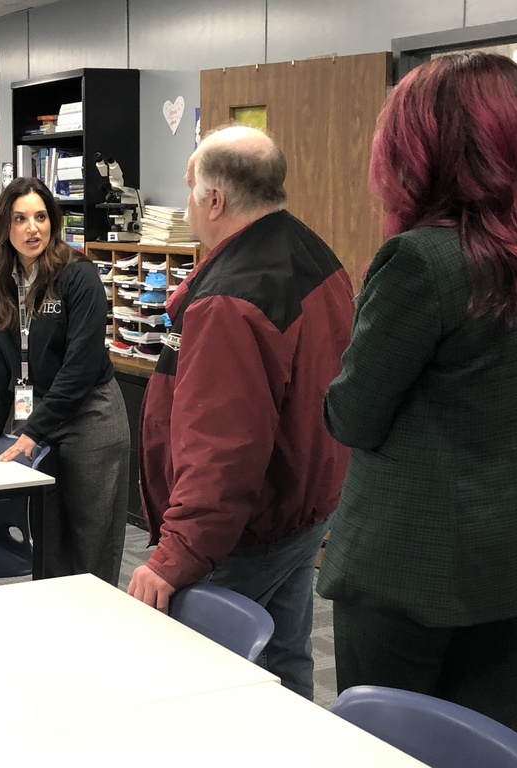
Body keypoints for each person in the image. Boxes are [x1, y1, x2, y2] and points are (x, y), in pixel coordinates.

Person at [316, 52, 517, 734]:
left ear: (424, 148)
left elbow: (353, 416)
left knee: (385, 739)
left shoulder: (422, 261)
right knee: (486, 730)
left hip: (409, 567)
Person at [127, 125, 354, 700]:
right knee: (284, 664)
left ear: (214, 200)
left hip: (239, 536)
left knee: (213, 694)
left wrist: (175, 555)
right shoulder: (311, 251)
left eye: (188, 190)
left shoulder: (229, 300)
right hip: (300, 512)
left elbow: (222, 451)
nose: (187, 204)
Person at [0, 177, 129, 585]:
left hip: (89, 414)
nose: (32, 228)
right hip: (37, 410)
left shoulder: (78, 276)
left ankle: (98, 628)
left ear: (53, 222)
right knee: (48, 534)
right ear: (5, 225)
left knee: (92, 539)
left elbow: (80, 366)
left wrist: (34, 431)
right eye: (20, 218)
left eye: (41, 217)